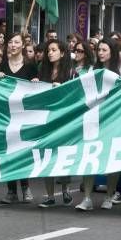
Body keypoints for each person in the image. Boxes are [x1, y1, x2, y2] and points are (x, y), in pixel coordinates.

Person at [76, 38, 121, 211]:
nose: (101, 53)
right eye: (99, 50)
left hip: (112, 120)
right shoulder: (89, 70)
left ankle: (109, 196)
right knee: (88, 157)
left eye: (104, 50)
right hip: (92, 119)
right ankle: (87, 197)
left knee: (111, 158)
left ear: (112, 52)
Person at [0, 32, 38, 204]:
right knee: (8, 152)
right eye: (10, 42)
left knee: (22, 152)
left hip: (24, 116)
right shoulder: (4, 65)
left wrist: (35, 82)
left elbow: (36, 89)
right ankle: (11, 191)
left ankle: (26, 187)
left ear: (23, 45)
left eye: (16, 42)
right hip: (7, 115)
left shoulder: (30, 66)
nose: (13, 45)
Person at [35, 40, 74, 208]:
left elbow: (75, 94)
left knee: (62, 155)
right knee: (46, 155)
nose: (50, 53)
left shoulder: (71, 72)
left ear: (62, 53)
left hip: (63, 119)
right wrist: (34, 83)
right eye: (48, 50)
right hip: (45, 119)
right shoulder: (42, 70)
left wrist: (63, 87)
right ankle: (50, 195)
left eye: (53, 50)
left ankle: (65, 189)